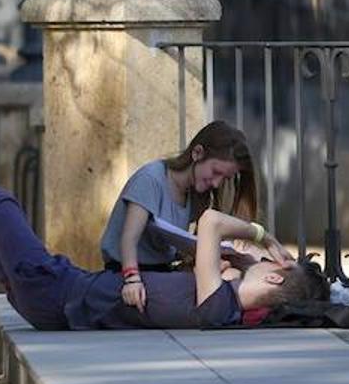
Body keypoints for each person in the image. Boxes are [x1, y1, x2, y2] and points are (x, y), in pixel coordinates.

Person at [0, 187, 327, 384]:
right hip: (66, 288)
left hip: (59, 295)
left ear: (274, 275)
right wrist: (243, 258)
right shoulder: (225, 299)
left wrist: (261, 235)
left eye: (270, 262)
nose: (265, 256)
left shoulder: (219, 304)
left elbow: (211, 222)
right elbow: (208, 246)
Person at [100, 121, 258, 314]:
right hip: (128, 273)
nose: (216, 184)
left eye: (224, 178)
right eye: (216, 172)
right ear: (197, 153)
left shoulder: (196, 194)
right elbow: (128, 240)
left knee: (230, 276)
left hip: (162, 271)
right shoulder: (151, 179)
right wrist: (132, 280)